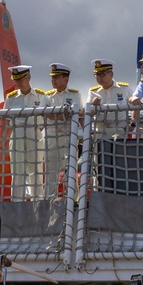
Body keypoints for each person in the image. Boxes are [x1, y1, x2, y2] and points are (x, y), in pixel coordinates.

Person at [41, 63, 83, 199]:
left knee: (70, 172)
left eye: (56, 77)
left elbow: (78, 112)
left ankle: (73, 200)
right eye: (52, 77)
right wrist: (61, 115)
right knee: (50, 174)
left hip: (68, 137)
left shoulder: (75, 95)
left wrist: (54, 115)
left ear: (66, 79)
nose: (53, 80)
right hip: (51, 137)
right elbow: (43, 112)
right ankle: (49, 201)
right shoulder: (47, 96)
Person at [4, 65, 46, 199]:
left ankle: (38, 203)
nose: (18, 82)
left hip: (34, 132)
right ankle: (17, 204)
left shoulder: (41, 95)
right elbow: (5, 119)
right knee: (17, 172)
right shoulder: (11, 98)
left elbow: (46, 117)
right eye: (16, 79)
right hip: (17, 133)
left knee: (36, 171)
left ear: (28, 78)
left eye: (21, 79)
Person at [86, 59, 131, 138]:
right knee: (99, 150)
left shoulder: (124, 88)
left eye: (103, 74)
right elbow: (87, 114)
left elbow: (137, 106)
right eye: (97, 74)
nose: (100, 78)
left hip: (120, 130)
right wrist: (93, 106)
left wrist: (133, 124)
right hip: (100, 131)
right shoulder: (93, 91)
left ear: (111, 74)